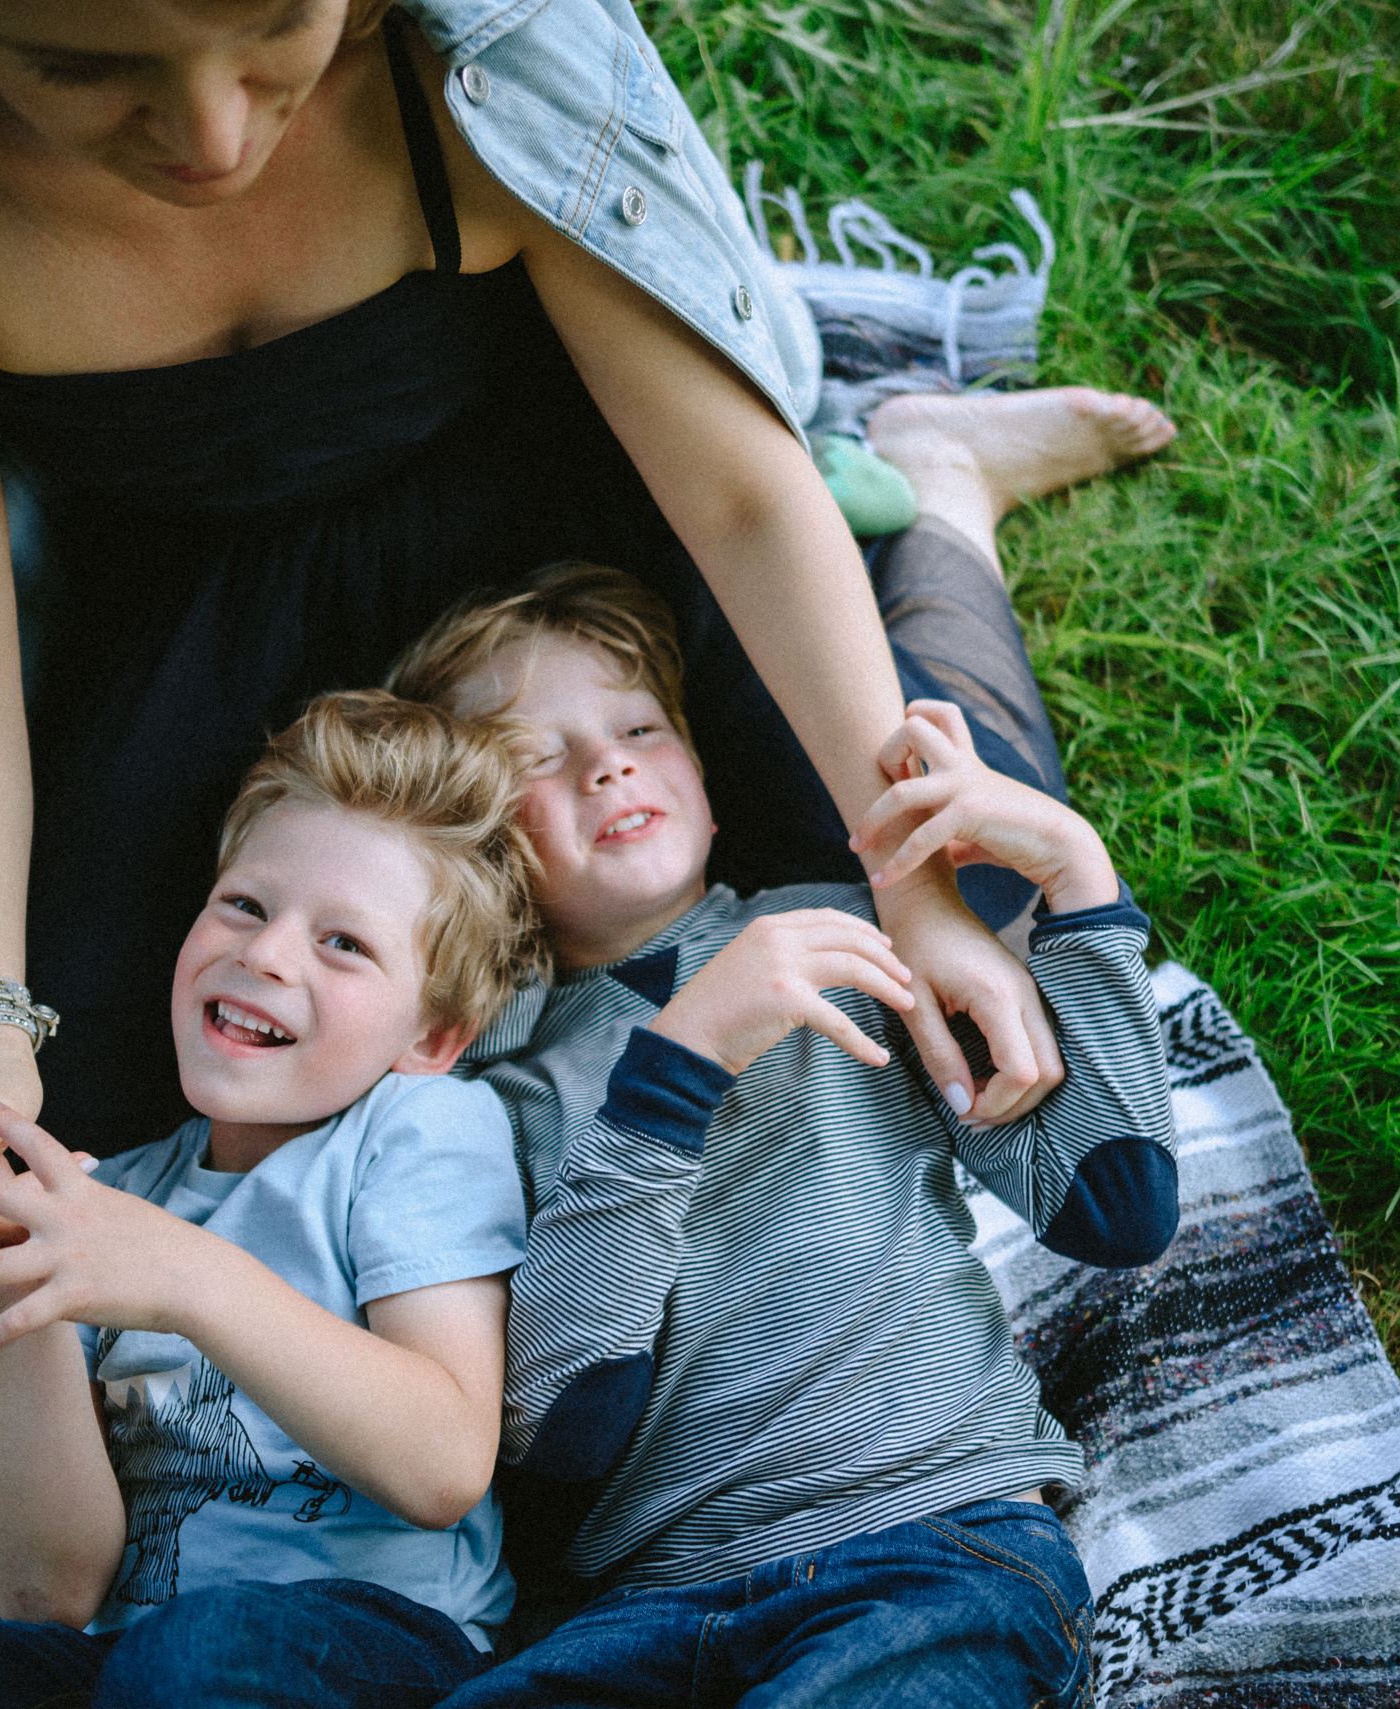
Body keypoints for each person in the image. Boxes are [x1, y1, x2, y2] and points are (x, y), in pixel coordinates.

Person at [0, 0, 1136, 1240]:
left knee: (957, 887)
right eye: (82, 66)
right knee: (112, 1078)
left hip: (571, 534)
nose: (211, 136)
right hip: (205, 605)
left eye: (274, 32)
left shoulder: (475, 59)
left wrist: (914, 876)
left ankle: (941, 486)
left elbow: (744, 503)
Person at [389, 562, 1181, 1706]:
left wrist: (1078, 877)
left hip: (931, 1541)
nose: (605, 763)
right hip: (646, 1601)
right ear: (474, 854)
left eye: (638, 727)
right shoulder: (481, 1090)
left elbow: (1114, 1204)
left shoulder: (856, 936)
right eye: (533, 758)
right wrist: (678, 1066)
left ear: (708, 783)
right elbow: (564, 1425)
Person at [0, 691, 544, 1709]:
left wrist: (177, 1272)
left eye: (345, 943)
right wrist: (32, 1311)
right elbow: (41, 1591)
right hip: (120, 1657)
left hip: (372, 1641)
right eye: (244, 903)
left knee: (202, 1653)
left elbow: (443, 1459)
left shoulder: (418, 1126)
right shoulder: (116, 1193)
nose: (266, 952)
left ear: (431, 1037)